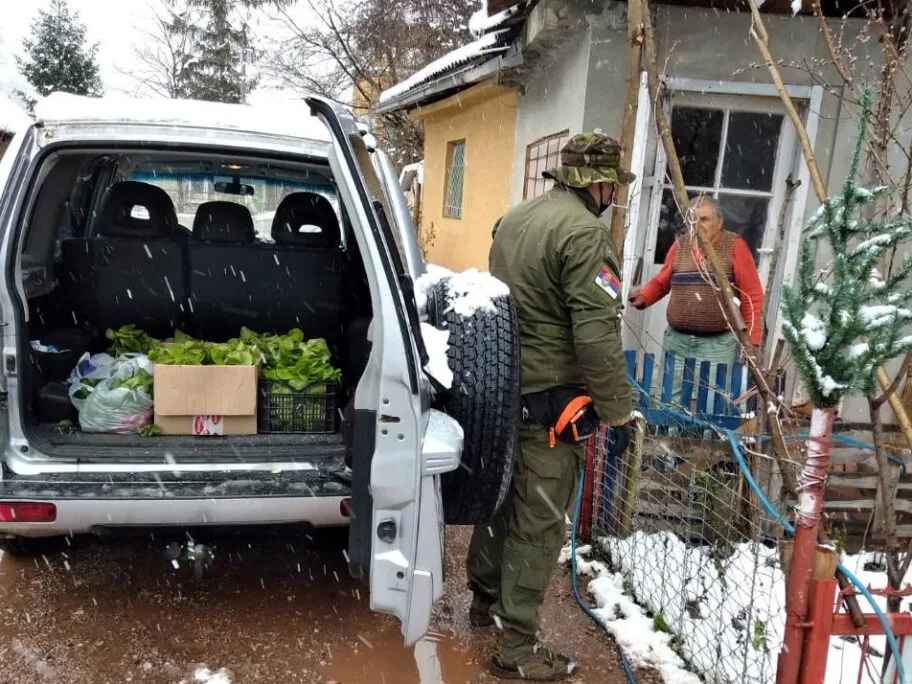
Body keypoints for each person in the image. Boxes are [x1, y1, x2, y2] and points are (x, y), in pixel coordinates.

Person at [466, 132, 635, 681]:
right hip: (551, 407)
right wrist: (616, 410)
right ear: (601, 183)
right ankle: (516, 649)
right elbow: (596, 338)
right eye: (614, 185)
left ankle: (483, 602)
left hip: (500, 393)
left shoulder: (514, 220)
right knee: (536, 523)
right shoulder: (586, 235)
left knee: (497, 503)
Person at [628, 198, 763, 405]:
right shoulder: (681, 245)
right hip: (678, 340)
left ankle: (708, 437)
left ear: (720, 222)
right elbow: (663, 280)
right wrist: (645, 296)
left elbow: (751, 296)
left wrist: (751, 340)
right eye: (692, 220)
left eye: (704, 219)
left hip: (718, 343)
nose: (697, 225)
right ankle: (668, 436)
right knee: (668, 397)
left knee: (713, 401)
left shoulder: (734, 246)